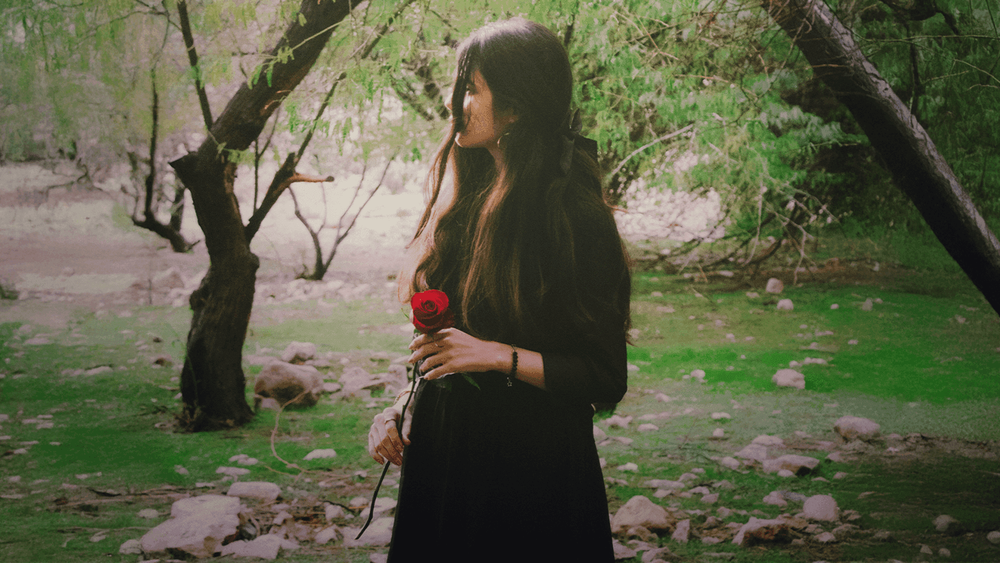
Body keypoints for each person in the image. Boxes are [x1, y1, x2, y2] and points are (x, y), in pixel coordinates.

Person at [366, 17, 632, 562]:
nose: (451, 103)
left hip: (530, 475)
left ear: (516, 106)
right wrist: (401, 406)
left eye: (470, 88)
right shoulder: (461, 208)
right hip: (443, 460)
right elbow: (450, 347)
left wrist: (495, 356)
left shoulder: (576, 217)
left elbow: (604, 376)